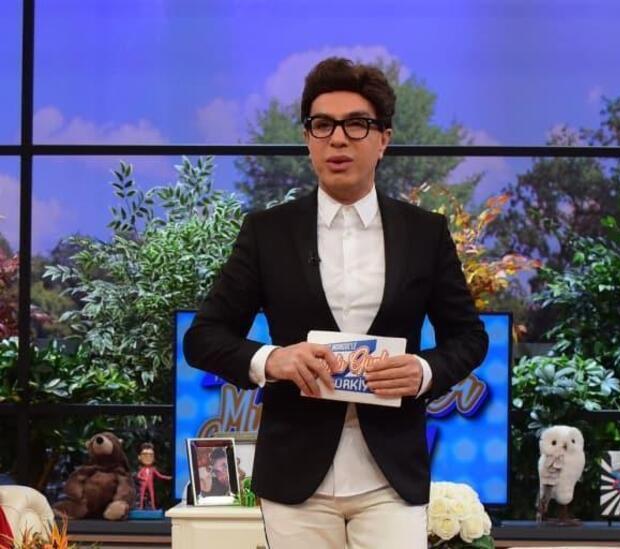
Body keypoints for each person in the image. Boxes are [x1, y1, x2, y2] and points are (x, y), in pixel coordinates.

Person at [184, 56, 488, 548]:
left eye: (356, 124)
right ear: (308, 138)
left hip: (392, 475)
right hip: (294, 474)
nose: (338, 139)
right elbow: (203, 337)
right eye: (322, 125)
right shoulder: (267, 232)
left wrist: (424, 371)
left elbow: (469, 336)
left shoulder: (424, 233)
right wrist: (273, 360)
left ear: (384, 139)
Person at [135, 442, 172, 510]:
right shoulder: (142, 470)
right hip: (143, 483)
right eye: (145, 455)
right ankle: (140, 507)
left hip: (150, 484)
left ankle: (153, 507)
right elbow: (138, 475)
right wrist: (142, 478)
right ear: (139, 457)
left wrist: (168, 477)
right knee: (142, 494)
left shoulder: (153, 469)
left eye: (151, 455)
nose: (148, 457)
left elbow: (159, 475)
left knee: (152, 494)